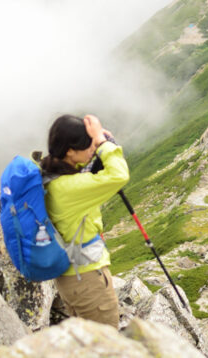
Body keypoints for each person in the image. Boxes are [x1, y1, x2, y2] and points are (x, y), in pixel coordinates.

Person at [38, 113, 129, 327]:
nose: (93, 149)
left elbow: (81, 174)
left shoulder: (51, 174)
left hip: (72, 278)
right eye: (89, 145)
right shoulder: (69, 188)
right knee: (105, 346)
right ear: (70, 151)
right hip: (88, 279)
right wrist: (103, 143)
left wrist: (99, 144)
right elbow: (119, 175)